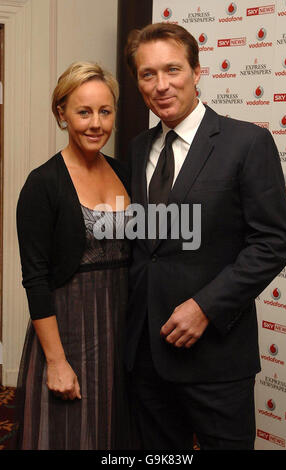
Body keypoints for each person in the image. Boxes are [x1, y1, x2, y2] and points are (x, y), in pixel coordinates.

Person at [124, 23, 286, 450]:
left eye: (173, 70)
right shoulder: (137, 148)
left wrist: (205, 305)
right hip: (147, 357)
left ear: (197, 72)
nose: (161, 85)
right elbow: (148, 249)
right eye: (148, 74)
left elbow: (273, 241)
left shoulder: (247, 142)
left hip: (215, 358)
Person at [15, 61, 134, 450]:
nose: (95, 123)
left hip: (119, 330)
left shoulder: (124, 173)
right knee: (69, 435)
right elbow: (35, 277)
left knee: (114, 434)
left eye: (105, 111)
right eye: (84, 112)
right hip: (68, 331)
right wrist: (56, 361)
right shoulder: (43, 183)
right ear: (61, 113)